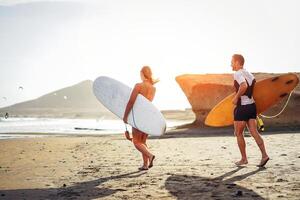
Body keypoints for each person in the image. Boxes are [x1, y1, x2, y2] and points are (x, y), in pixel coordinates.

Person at [231, 54, 269, 167]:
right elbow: (253, 90)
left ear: (237, 62)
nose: (230, 64)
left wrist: (236, 97)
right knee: (254, 132)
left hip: (242, 106)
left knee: (238, 133)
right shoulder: (249, 74)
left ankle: (244, 159)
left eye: (232, 62)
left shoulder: (237, 73)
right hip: (252, 105)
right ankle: (264, 155)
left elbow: (243, 86)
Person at [123, 66, 157, 170]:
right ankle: (145, 165)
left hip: (139, 116)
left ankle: (150, 156)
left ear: (142, 73)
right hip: (148, 116)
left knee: (136, 141)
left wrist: (125, 116)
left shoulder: (138, 86)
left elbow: (131, 101)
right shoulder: (153, 88)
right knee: (143, 141)